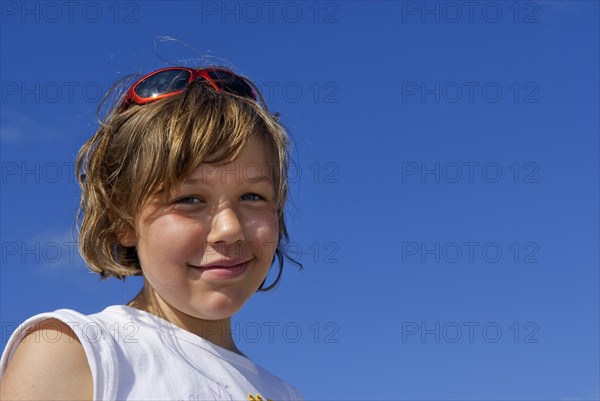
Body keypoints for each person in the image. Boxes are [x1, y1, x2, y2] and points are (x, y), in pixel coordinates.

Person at [0, 66, 303, 400]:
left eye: (252, 197)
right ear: (122, 219)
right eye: (189, 199)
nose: (229, 228)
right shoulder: (80, 352)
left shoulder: (286, 393)